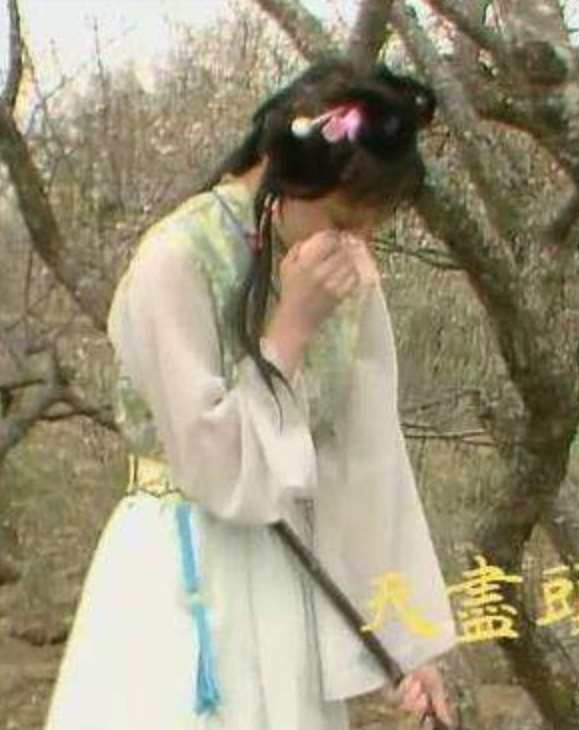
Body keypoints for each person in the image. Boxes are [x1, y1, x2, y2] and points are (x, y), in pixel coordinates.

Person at [43, 59, 460, 729]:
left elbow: (368, 459)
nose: (354, 243)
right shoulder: (177, 257)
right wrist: (291, 327)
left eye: (369, 227)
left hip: (286, 574)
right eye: (340, 219)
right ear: (282, 170)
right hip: (178, 573)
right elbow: (212, 467)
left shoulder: (346, 274)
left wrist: (404, 641)